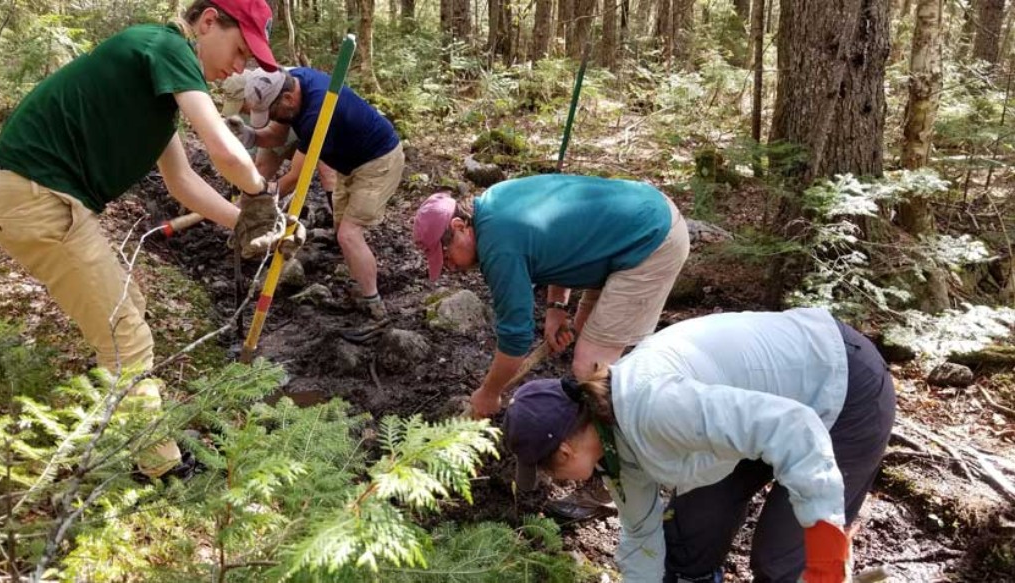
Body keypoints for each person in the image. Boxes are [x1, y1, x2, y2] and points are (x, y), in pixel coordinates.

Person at [0, 0, 302, 481]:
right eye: (239, 49)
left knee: (126, 306)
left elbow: (183, 183)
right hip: (35, 195)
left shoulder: (157, 83)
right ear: (208, 21)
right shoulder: (166, 45)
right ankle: (160, 470)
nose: (240, 66)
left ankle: (137, 437)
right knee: (124, 335)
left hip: (31, 195)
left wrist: (248, 223)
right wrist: (263, 196)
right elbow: (222, 148)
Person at [502, 308, 897, 583]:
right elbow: (641, 536)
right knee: (689, 540)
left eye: (547, 469)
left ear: (566, 452)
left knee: (785, 565)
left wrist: (825, 544)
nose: (555, 479)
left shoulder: (656, 407)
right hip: (752, 414)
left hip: (837, 387)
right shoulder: (610, 443)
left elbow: (797, 429)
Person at [412, 175, 689, 419]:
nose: (449, 267)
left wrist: (489, 392)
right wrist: (556, 308)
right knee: (583, 332)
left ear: (460, 226)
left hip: (650, 242)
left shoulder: (499, 249)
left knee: (588, 367)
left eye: (446, 256)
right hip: (636, 216)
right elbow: (554, 243)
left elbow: (516, 338)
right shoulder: (495, 200)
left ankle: (628, 436)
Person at [232, 67, 405, 325]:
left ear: (288, 99)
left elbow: (295, 178)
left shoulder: (317, 114)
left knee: (349, 234)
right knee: (341, 229)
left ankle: (374, 305)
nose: (271, 118)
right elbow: (277, 135)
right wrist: (249, 135)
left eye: (271, 112)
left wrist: (262, 194)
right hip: (352, 164)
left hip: (379, 162)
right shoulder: (295, 80)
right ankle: (362, 281)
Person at [220, 72, 338, 195]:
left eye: (242, 107)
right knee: (258, 168)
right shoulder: (250, 106)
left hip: (318, 123)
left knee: (326, 172)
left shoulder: (279, 92)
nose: (243, 112)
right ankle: (243, 202)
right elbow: (265, 143)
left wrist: (254, 201)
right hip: (290, 123)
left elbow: (294, 174)